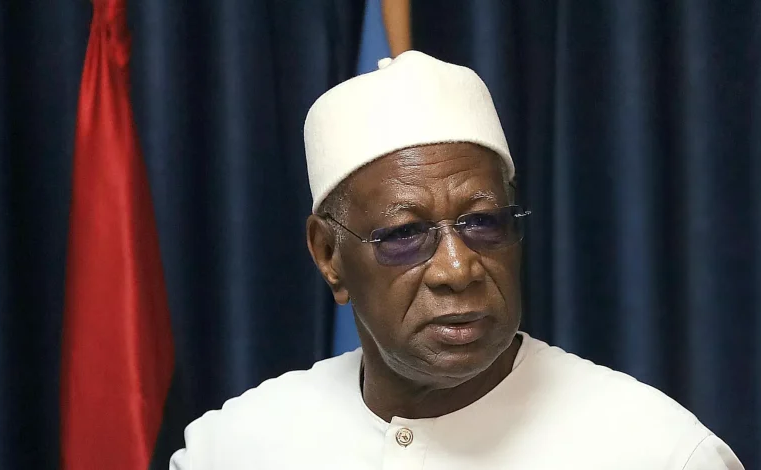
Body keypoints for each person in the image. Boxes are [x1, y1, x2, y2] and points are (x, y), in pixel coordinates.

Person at [169, 51, 743, 469]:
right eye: (404, 234)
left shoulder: (657, 451)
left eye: (483, 223)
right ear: (328, 255)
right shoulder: (234, 449)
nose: (456, 269)